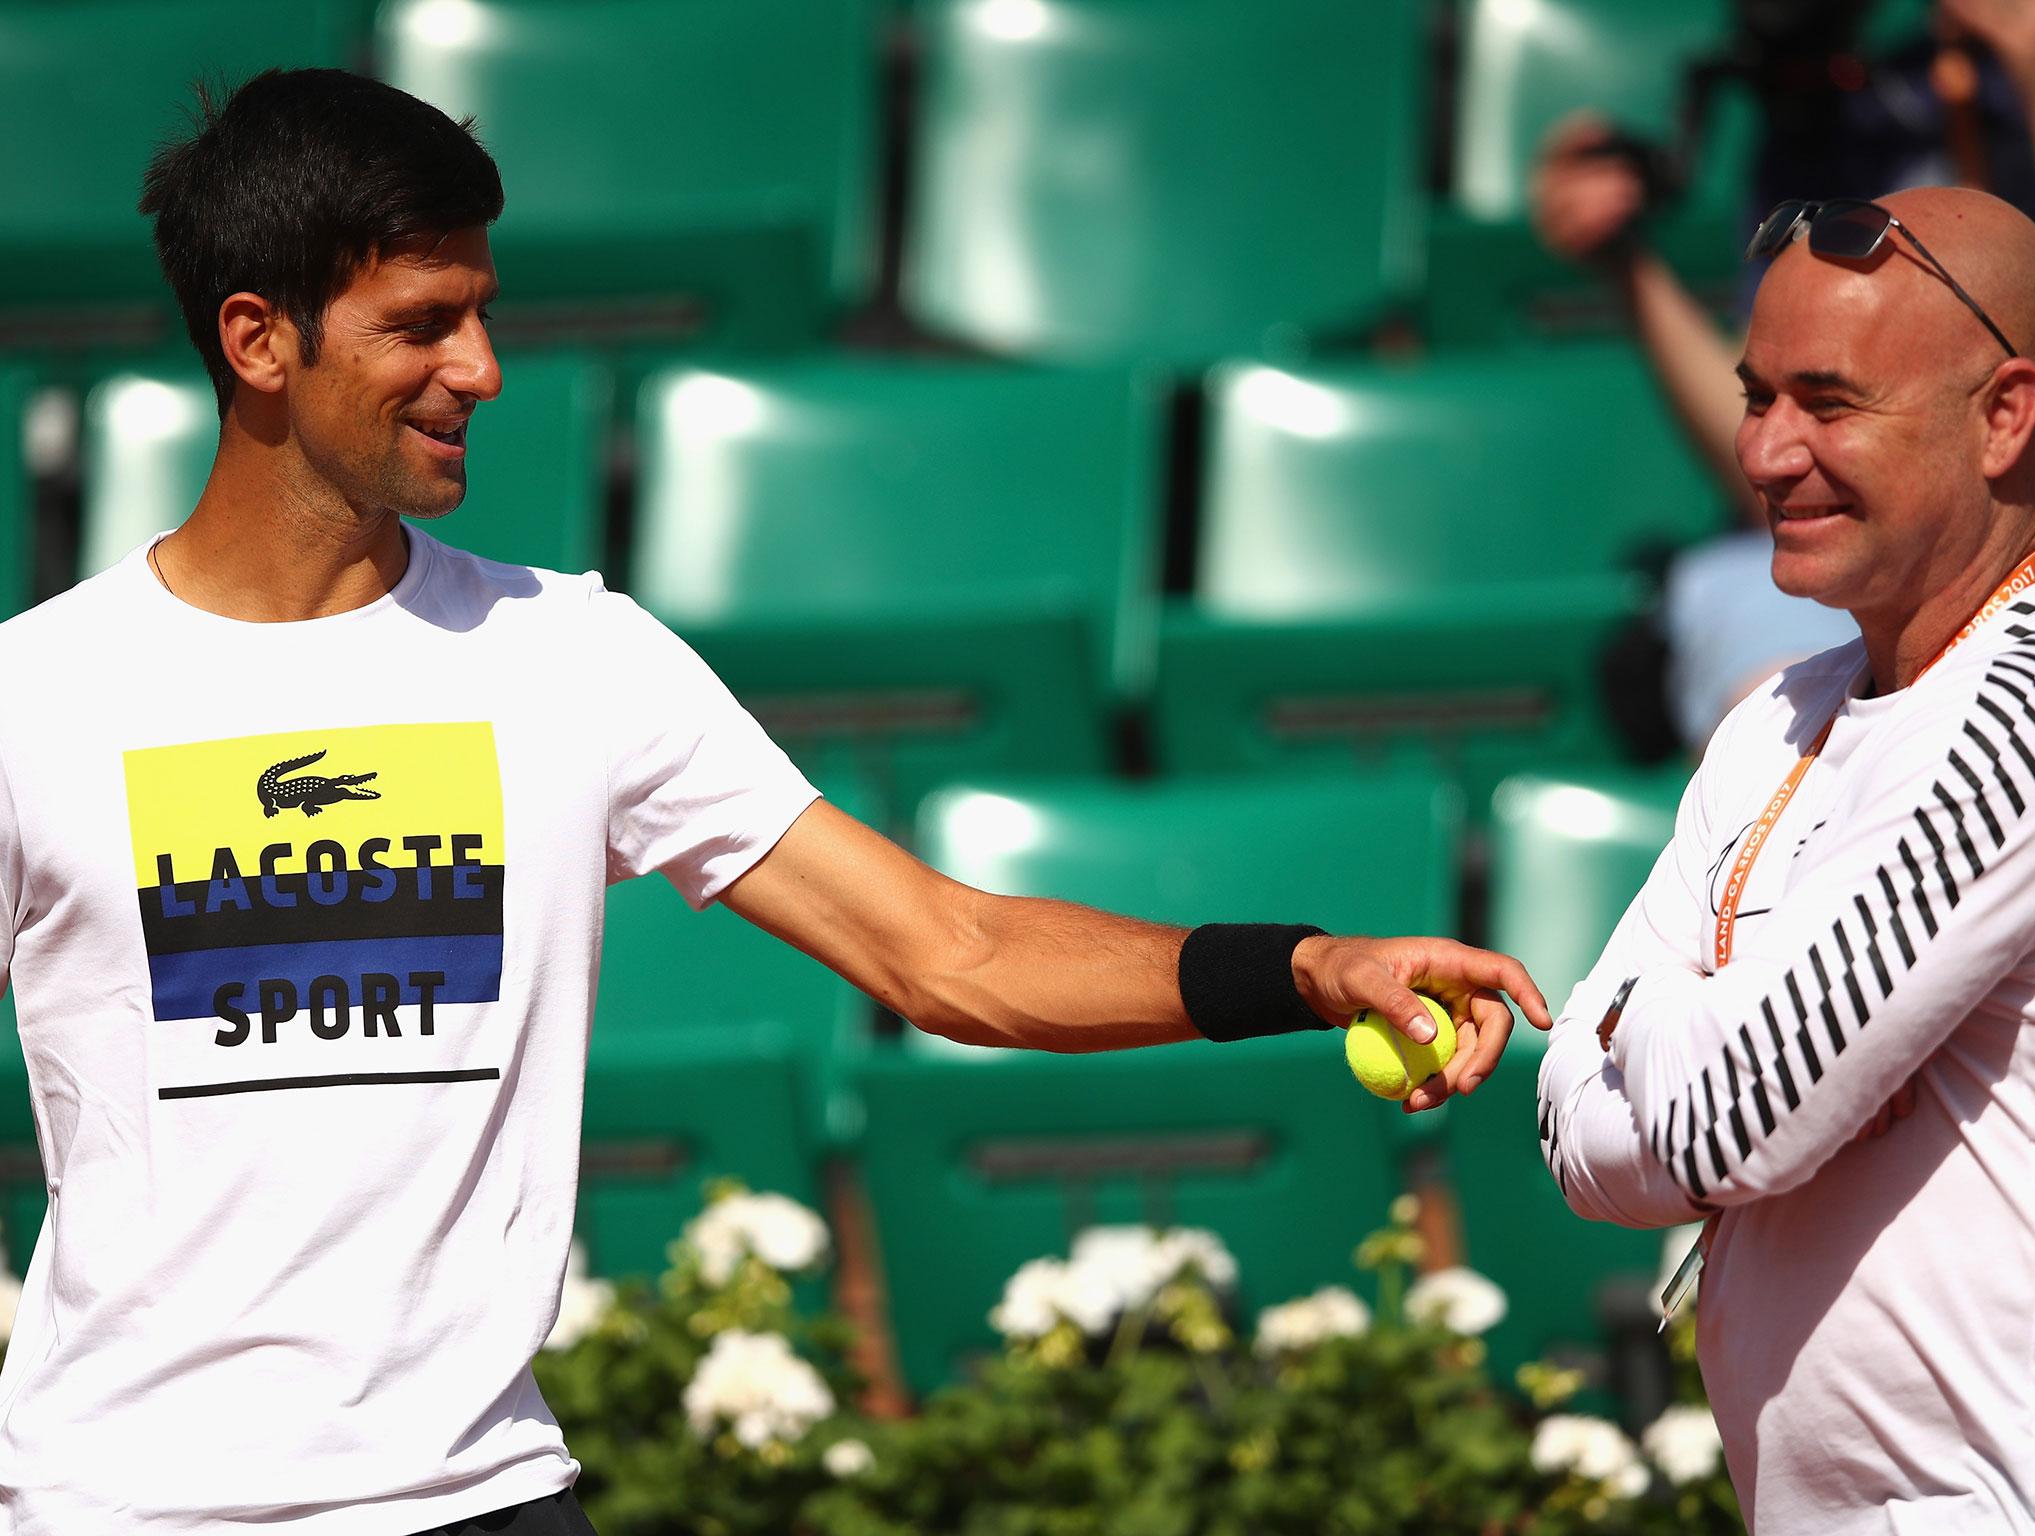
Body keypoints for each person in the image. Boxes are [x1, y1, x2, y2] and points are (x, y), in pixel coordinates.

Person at [0, 69, 1549, 1534]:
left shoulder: (575, 654)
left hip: (478, 1501)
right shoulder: (34, 698)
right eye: (422, 324)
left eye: (482, 314)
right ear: (260, 341)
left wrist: (1302, 967)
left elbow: (951, 954)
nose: (480, 368)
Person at [1539, 184, 2035, 1531]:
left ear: (2007, 413)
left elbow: (1721, 1117)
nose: (1766, 453)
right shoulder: (1777, 713)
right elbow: (1568, 1132)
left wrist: (1651, 1016)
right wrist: (1733, 1054)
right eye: (1758, 396)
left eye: (1828, 403)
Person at [1531, 0, 2035, 750]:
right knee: (1776, 696)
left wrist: (2034, 63)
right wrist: (1627, 264)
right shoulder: (1817, 105)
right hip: (1866, 572)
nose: (1767, 446)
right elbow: (1783, 457)